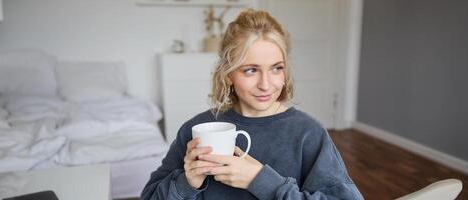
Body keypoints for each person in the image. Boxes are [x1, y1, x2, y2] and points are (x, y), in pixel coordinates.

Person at [141, 9, 363, 200]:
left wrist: (262, 181)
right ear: (228, 74)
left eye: (277, 68)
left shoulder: (308, 133)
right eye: (251, 70)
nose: (266, 85)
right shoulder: (196, 129)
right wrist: (186, 183)